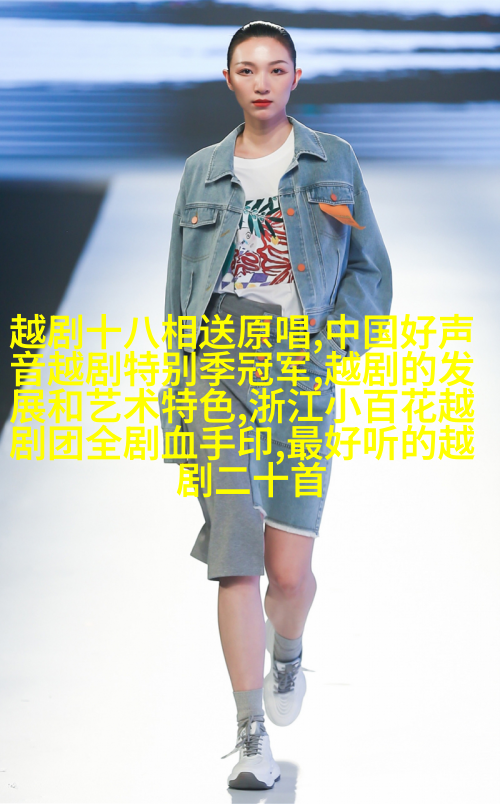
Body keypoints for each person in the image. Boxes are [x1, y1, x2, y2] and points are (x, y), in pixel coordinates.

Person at [158, 20, 392, 790]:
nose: (262, 81)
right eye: (247, 69)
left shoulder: (333, 163)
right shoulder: (201, 172)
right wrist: (177, 388)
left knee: (288, 575)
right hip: (218, 369)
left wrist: (329, 352)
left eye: (275, 68)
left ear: (296, 77)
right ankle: (247, 730)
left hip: (298, 367)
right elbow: (179, 289)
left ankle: (287, 652)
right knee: (237, 557)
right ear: (228, 79)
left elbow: (368, 271)